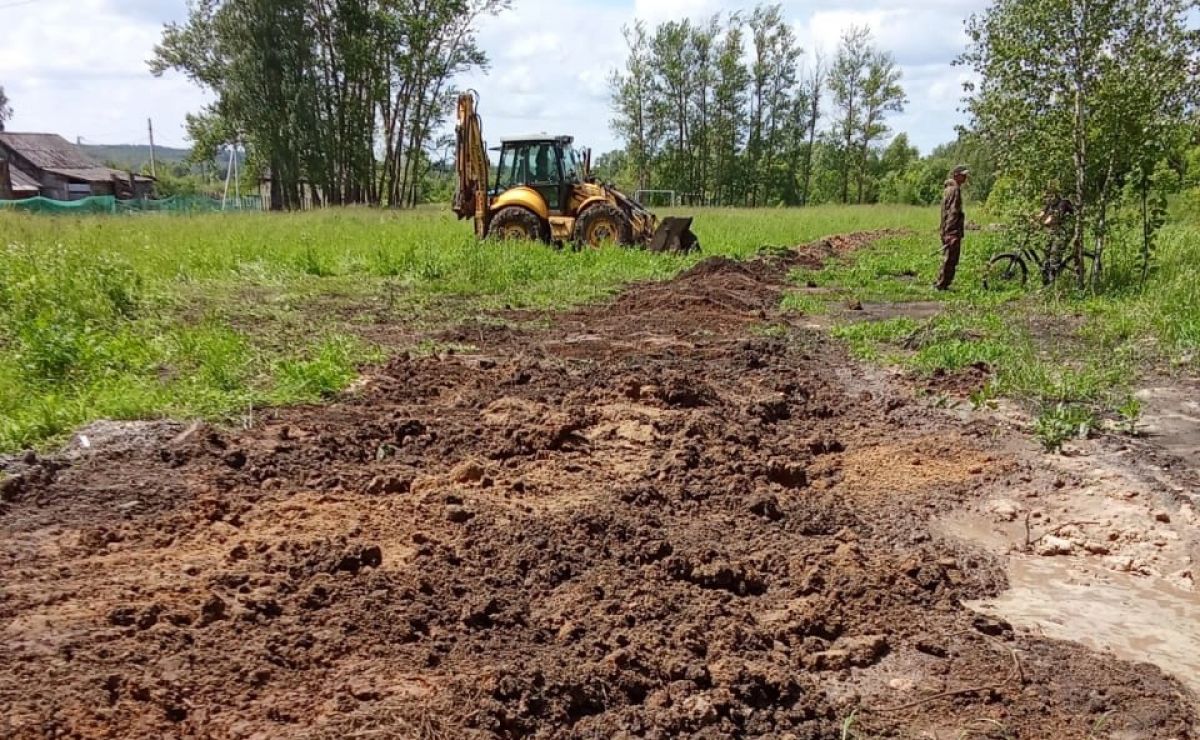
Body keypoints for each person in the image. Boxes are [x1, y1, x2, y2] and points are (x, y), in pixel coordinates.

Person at [935, 165, 969, 290]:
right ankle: (942, 285)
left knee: (947, 257)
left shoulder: (948, 189)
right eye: (963, 174)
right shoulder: (955, 190)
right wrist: (952, 233)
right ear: (956, 175)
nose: (965, 177)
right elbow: (953, 212)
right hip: (951, 230)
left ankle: (941, 282)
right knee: (950, 259)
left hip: (946, 229)